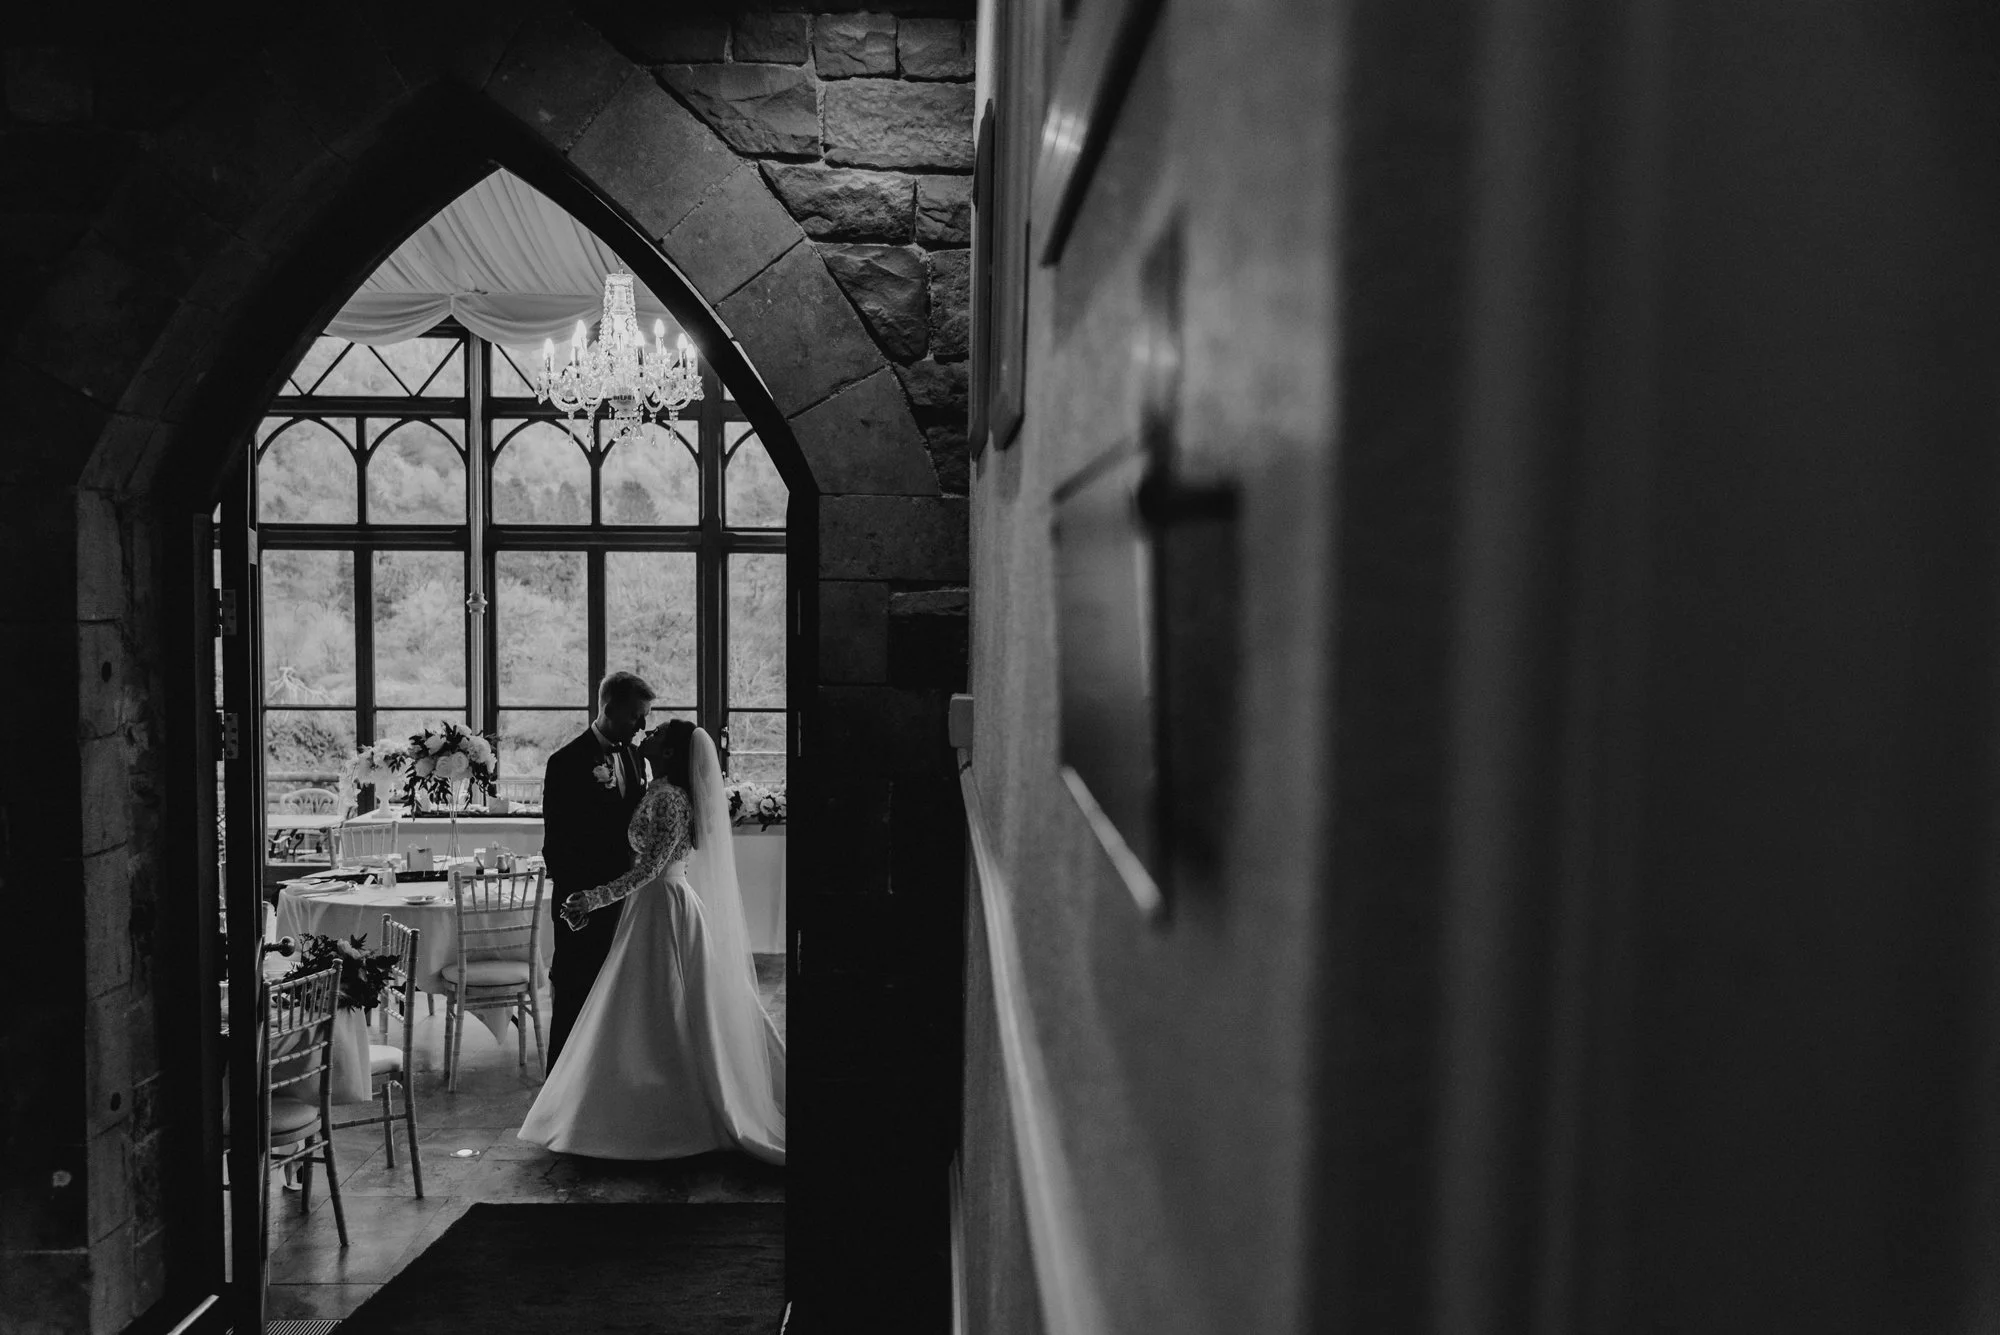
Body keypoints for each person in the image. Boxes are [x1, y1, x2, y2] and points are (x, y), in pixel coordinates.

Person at [517, 720, 786, 1163]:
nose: (648, 731)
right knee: (652, 1005)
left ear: (670, 752)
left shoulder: (669, 799)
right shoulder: (657, 787)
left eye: (658, 732)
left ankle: (667, 1110)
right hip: (652, 905)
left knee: (664, 1006)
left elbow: (650, 869)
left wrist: (594, 898)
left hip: (662, 905)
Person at [538, 671, 652, 1070]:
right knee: (573, 996)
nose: (643, 725)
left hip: (626, 900)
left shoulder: (636, 758)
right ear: (609, 708)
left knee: (618, 996)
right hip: (582, 902)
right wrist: (582, 901)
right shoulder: (566, 762)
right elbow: (556, 844)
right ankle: (559, 1089)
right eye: (637, 716)